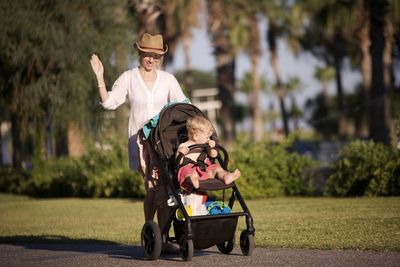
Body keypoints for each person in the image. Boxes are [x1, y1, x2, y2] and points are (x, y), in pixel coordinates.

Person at [90, 33, 187, 230]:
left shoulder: (169, 80)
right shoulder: (128, 78)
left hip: (165, 143)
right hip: (141, 144)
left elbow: (183, 105)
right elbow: (109, 103)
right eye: (147, 54)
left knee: (164, 188)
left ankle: (160, 236)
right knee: (154, 188)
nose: (151, 59)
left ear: (161, 57)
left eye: (156, 56)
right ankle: (152, 230)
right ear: (140, 54)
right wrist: (100, 78)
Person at [176, 116, 241, 192]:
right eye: (207, 137)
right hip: (190, 170)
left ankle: (226, 176)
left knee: (217, 168)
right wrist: (179, 152)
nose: (209, 139)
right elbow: (178, 162)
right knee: (188, 171)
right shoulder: (184, 146)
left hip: (204, 170)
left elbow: (214, 155)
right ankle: (194, 180)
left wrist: (211, 148)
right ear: (196, 136)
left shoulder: (205, 145)